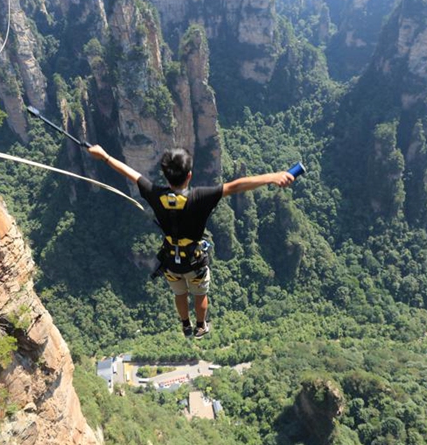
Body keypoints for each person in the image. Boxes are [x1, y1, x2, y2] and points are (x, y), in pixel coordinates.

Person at [88, 145, 294, 338]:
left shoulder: (154, 193)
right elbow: (236, 186)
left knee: (179, 293)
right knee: (200, 293)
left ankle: (185, 325)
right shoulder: (200, 197)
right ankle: (201, 325)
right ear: (189, 175)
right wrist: (272, 177)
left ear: (165, 175)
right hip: (194, 262)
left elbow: (129, 173)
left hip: (170, 262)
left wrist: (104, 156)